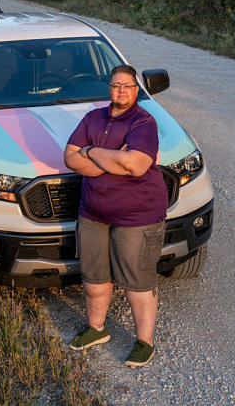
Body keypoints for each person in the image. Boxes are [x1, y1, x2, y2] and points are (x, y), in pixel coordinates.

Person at [63, 64, 168, 368]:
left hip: (138, 217)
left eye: (127, 86)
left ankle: (144, 342)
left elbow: (135, 165)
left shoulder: (144, 122)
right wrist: (112, 158)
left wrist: (92, 152)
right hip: (93, 214)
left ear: (136, 90)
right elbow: (70, 157)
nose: (121, 90)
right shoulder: (93, 118)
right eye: (115, 85)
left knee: (137, 283)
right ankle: (97, 329)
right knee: (94, 280)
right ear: (108, 89)